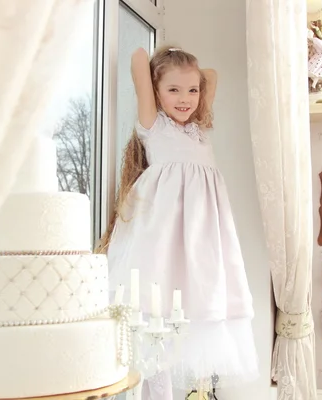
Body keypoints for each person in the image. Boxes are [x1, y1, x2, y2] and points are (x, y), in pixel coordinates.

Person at [98, 45, 258, 399]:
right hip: (164, 233)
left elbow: (211, 75)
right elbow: (139, 58)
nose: (185, 99)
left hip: (201, 236)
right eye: (173, 90)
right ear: (155, 92)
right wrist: (163, 59)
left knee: (190, 312)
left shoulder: (199, 127)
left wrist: (185, 73)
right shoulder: (153, 125)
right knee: (158, 322)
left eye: (192, 90)